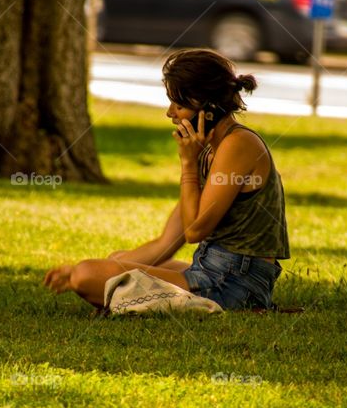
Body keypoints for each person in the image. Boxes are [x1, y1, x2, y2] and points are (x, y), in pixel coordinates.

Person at [43, 48, 290, 310]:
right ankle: (159, 299)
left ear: (208, 109)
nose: (170, 113)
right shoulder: (209, 150)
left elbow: (195, 231)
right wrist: (109, 266)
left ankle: (193, 304)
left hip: (235, 285)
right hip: (210, 271)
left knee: (88, 274)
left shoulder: (238, 144)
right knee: (116, 259)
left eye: (179, 105)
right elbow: (168, 242)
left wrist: (188, 165)